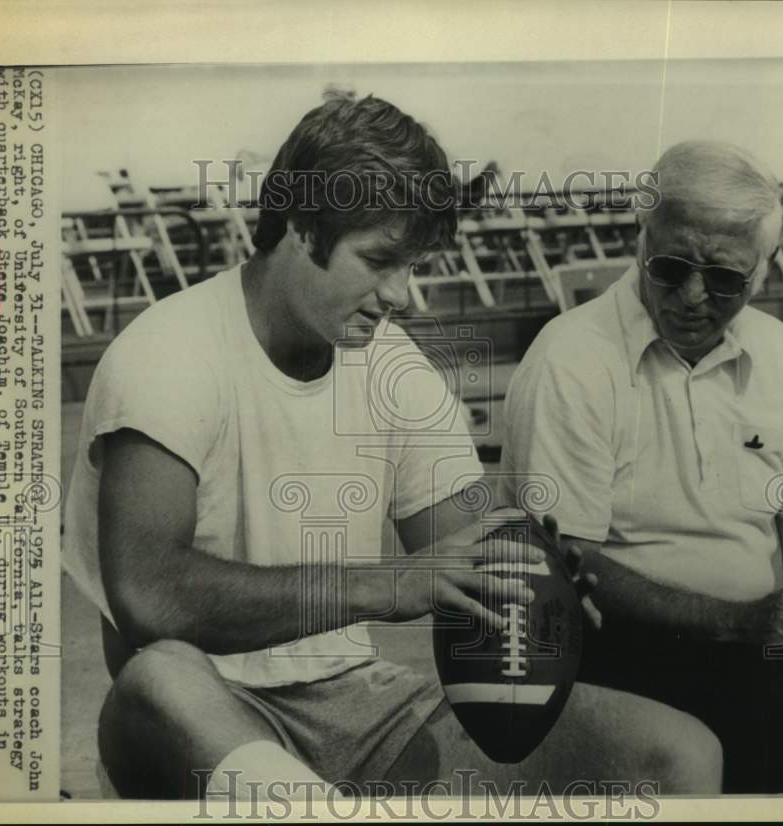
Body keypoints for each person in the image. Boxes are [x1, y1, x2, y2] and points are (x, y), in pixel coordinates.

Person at [62, 92, 724, 801]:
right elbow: (150, 598)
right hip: (202, 713)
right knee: (157, 673)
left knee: (679, 754)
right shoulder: (167, 356)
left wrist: (531, 569)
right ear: (297, 226)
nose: (403, 294)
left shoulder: (394, 368)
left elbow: (468, 544)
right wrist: (385, 584)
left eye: (412, 265)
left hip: (358, 706)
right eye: (380, 261)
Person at [500, 140, 783, 793]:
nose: (693, 296)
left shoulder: (781, 358)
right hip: (618, 655)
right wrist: (736, 622)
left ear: (767, 267)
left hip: (753, 649)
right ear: (641, 240)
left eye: (726, 278)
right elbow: (558, 565)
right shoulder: (571, 360)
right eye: (670, 266)